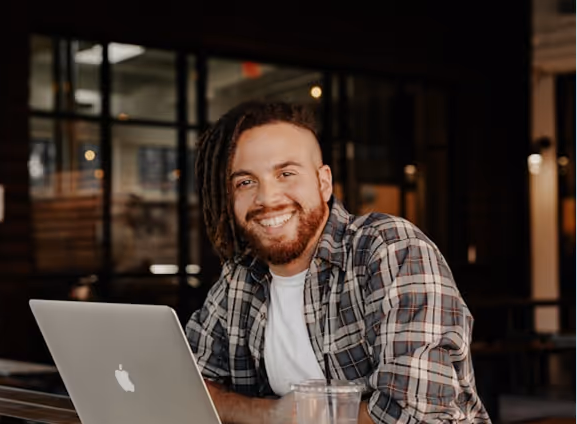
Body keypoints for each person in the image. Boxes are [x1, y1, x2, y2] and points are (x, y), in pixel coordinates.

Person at [185, 100, 489, 423]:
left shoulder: (390, 250)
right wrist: (270, 414)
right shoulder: (240, 278)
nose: (267, 198)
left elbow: (413, 412)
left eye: (286, 173)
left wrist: (303, 418)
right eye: (245, 182)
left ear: (324, 183)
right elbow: (187, 384)